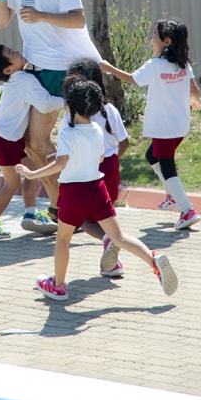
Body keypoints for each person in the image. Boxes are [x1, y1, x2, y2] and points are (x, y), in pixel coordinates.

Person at [16, 75, 178, 303]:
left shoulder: (67, 133)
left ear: (70, 107)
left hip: (73, 193)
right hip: (97, 188)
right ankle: (153, 260)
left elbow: (60, 164)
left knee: (63, 240)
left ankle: (58, 286)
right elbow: (100, 155)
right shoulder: (95, 129)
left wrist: (33, 173)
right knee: (119, 237)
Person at [0, 0, 101, 216]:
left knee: (38, 143)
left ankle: (65, 206)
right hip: (35, 67)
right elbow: (1, 21)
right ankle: (60, 206)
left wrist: (42, 16)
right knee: (32, 145)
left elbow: (78, 20)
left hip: (58, 67)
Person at [101, 17, 201, 232]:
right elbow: (195, 90)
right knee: (151, 156)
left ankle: (187, 209)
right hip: (179, 127)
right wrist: (195, 101)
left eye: (154, 36)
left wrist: (109, 68)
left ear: (166, 42)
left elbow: (131, 79)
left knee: (168, 168)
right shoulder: (183, 65)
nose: (151, 40)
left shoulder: (155, 66)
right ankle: (171, 195)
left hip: (164, 127)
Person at [0, 43, 64, 238]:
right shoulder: (24, 79)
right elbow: (45, 102)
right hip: (5, 140)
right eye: (12, 53)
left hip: (4, 137)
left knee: (31, 171)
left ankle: (30, 214)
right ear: (8, 69)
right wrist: (68, 100)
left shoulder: (16, 79)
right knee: (12, 183)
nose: (17, 51)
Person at [65, 56, 129, 279]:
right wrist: (112, 160)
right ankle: (112, 263)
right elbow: (124, 142)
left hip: (87, 173)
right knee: (107, 214)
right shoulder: (110, 109)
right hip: (111, 167)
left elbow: (69, 152)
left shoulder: (73, 116)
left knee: (82, 218)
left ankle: (107, 241)